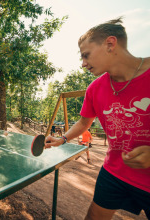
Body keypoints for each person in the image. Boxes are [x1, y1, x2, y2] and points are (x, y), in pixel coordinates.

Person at [45, 17, 150, 219]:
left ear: (110, 44)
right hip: (113, 172)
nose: (83, 64)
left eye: (86, 56)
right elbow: (85, 121)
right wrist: (63, 138)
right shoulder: (94, 88)